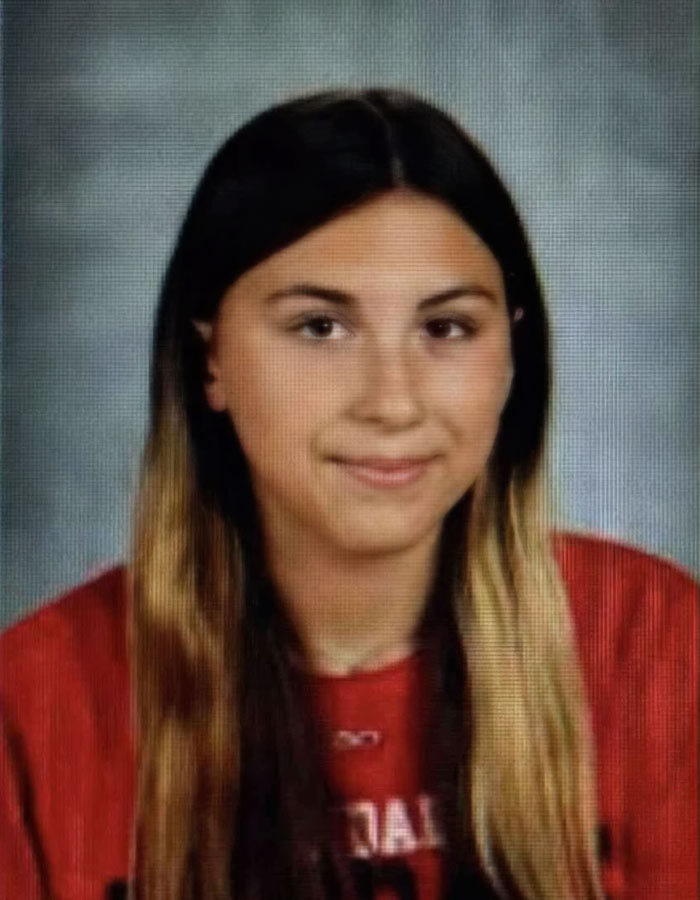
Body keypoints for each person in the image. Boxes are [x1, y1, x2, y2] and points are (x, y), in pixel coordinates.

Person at [0, 88, 697, 900]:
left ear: (512, 354)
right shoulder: (36, 701)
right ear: (210, 361)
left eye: (446, 328)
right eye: (320, 328)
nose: (392, 402)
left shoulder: (654, 649)